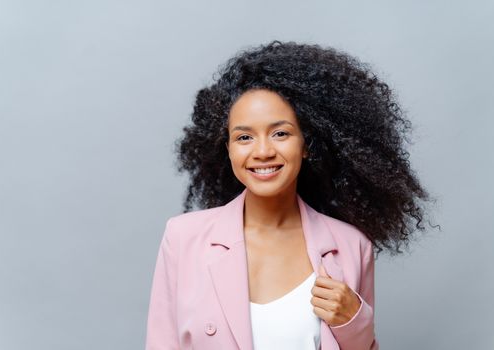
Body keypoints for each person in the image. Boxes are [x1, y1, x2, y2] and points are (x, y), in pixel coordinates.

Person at [145, 40, 432, 350]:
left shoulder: (351, 246)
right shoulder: (183, 238)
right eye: (244, 137)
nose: (263, 151)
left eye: (280, 133)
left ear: (306, 145)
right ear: (228, 149)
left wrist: (354, 322)